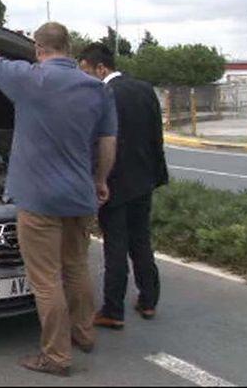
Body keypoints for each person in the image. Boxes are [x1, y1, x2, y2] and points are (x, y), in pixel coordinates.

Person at [0, 17, 117, 377]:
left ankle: (56, 356)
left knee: (46, 279)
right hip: (80, 196)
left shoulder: (29, 78)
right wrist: (100, 180)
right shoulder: (97, 89)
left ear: (38, 48)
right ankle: (84, 334)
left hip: (39, 200)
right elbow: (108, 143)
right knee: (77, 267)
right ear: (69, 48)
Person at [78, 43, 169, 330]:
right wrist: (156, 175)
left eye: (86, 71)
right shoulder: (144, 88)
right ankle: (149, 300)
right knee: (141, 240)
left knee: (115, 246)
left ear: (100, 68)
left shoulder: (101, 94)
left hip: (114, 181)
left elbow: (98, 141)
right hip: (144, 180)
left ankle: (113, 310)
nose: (85, 78)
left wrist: (95, 178)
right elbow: (157, 135)